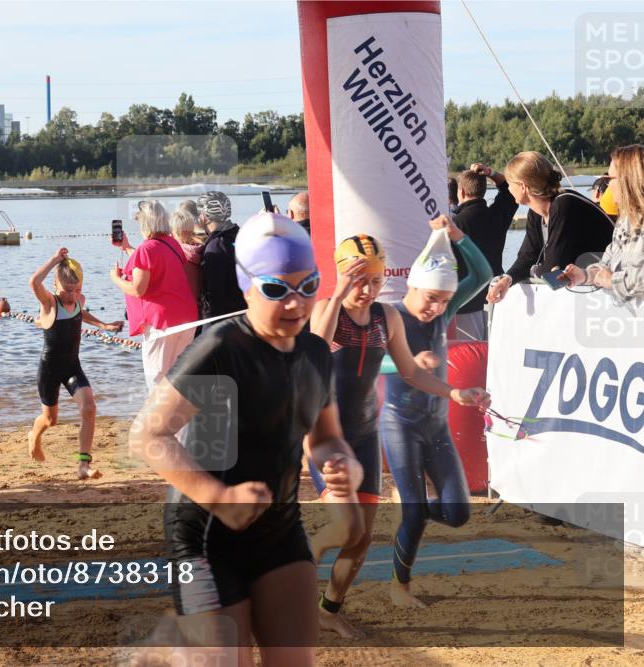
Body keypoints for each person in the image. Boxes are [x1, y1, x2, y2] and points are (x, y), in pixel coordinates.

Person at [131, 211, 361, 666]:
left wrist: (341, 464)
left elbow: (327, 437)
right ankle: (173, 652)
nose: (296, 304)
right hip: (206, 534)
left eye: (308, 286)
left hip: (279, 528)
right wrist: (218, 496)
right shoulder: (221, 349)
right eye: (277, 289)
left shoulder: (316, 352)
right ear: (246, 286)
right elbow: (148, 435)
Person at [309, 233, 490, 638]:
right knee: (343, 529)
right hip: (326, 435)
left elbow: (409, 371)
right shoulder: (326, 310)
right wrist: (337, 294)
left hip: (365, 437)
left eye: (374, 281)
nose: (367, 290)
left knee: (362, 538)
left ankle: (329, 609)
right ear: (341, 275)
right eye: (359, 280)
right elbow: (314, 351)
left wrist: (454, 392)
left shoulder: (385, 318)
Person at [382, 214, 493, 609]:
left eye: (445, 302)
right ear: (412, 284)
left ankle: (410, 505)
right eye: (432, 298)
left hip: (436, 424)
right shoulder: (390, 315)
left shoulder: (443, 313)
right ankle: (400, 587)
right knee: (414, 516)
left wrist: (455, 234)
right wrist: (407, 363)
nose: (437, 308)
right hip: (400, 424)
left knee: (459, 513)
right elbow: (368, 363)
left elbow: (481, 273)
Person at [30, 248, 123, 480]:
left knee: (89, 408)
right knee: (51, 420)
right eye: (67, 291)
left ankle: (83, 464)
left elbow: (82, 314)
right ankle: (34, 436)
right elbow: (33, 281)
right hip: (49, 370)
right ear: (55, 287)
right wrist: (54, 260)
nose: (72, 296)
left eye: (77, 289)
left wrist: (104, 325)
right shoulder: (50, 303)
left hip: (72, 367)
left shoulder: (79, 300)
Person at [487, 151, 613, 304]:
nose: (508, 189)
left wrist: (535, 269)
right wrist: (507, 279)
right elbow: (527, 257)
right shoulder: (536, 213)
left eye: (510, 184)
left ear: (523, 187)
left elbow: (553, 271)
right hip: (589, 294)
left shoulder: (564, 205)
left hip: (606, 292)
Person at [112, 200, 198, 392]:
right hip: (185, 317)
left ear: (146, 223)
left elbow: (138, 289)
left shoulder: (147, 248)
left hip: (162, 323)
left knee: (157, 380)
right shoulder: (172, 244)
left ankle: (159, 420)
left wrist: (115, 279)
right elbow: (155, 262)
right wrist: (127, 248)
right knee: (178, 378)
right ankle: (181, 420)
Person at [562, 144, 644, 302]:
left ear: (628, 180)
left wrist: (612, 281)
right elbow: (606, 263)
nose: (606, 185)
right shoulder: (624, 222)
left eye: (609, 178)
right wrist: (584, 275)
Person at [451, 163, 519, 340]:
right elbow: (509, 192)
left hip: (465, 303)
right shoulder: (496, 215)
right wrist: (491, 173)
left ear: (462, 192)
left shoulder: (455, 225)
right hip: (495, 293)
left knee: (471, 358)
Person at [198, 191, 246, 320]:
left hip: (225, 320)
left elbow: (214, 294)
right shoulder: (239, 235)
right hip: (244, 313)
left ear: (205, 216)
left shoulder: (215, 246)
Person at [171, 207, 203, 312]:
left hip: (182, 309)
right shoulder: (203, 249)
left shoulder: (175, 254)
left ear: (173, 232)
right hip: (202, 308)